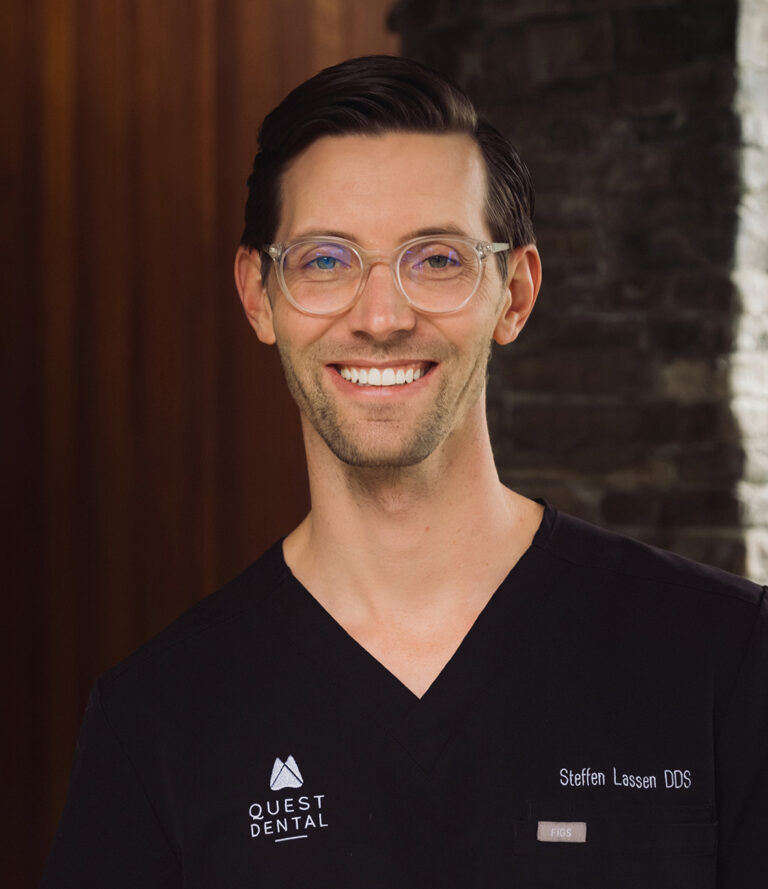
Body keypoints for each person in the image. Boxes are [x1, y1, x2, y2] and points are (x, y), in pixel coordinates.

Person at [41, 55, 767, 889]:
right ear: (258, 296)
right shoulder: (157, 720)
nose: (381, 317)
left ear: (515, 293)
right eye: (324, 261)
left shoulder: (727, 657)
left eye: (436, 259)